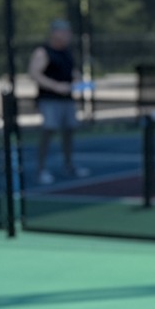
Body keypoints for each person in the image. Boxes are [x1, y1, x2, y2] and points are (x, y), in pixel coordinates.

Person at [27, 19, 89, 185]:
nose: (67, 35)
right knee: (49, 131)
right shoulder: (43, 52)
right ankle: (41, 170)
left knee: (69, 132)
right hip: (49, 100)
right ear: (55, 33)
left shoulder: (67, 52)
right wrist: (55, 86)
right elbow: (34, 73)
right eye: (64, 32)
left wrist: (77, 79)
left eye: (68, 32)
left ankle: (68, 165)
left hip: (67, 100)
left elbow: (71, 71)